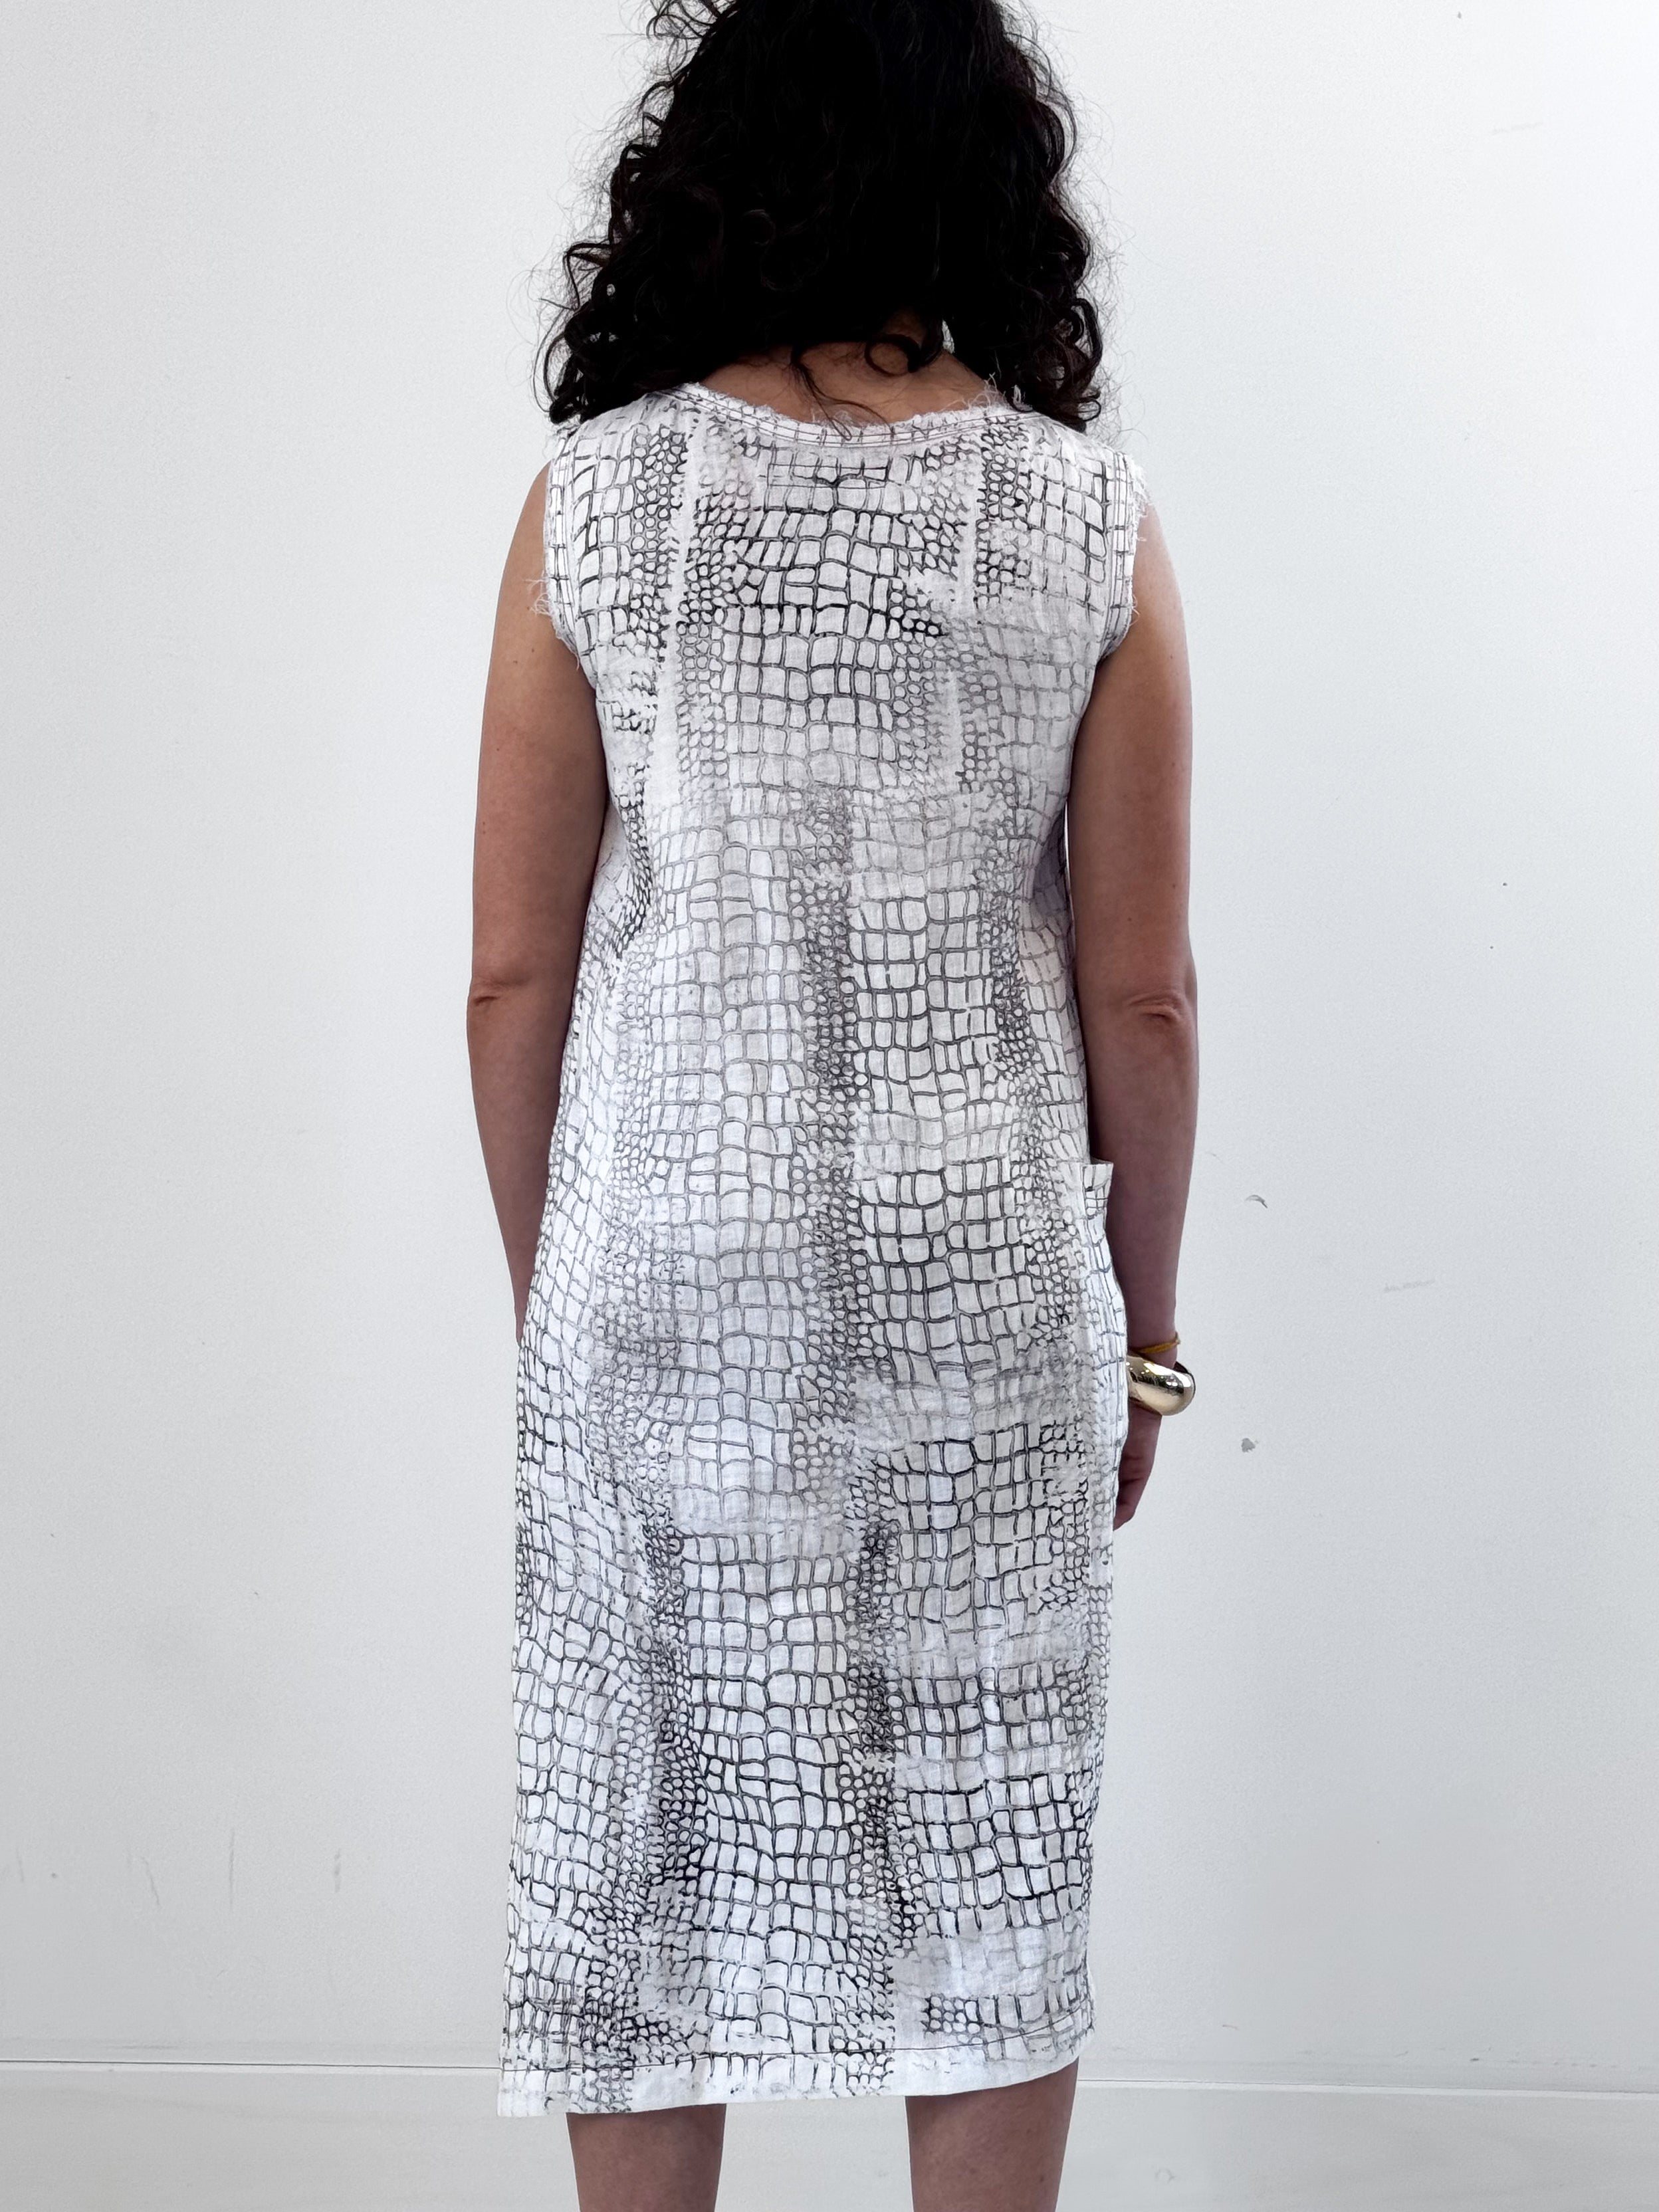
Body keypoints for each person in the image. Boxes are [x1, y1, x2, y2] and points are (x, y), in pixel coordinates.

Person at [467, 1, 1197, 2204]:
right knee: (990, 1854)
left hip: (662, 1267)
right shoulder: (1086, 519)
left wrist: (557, 1292)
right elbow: (1143, 995)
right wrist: (1147, 1337)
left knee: (635, 1851)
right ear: (989, 179)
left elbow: (511, 974)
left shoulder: (596, 503)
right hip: (982, 1276)